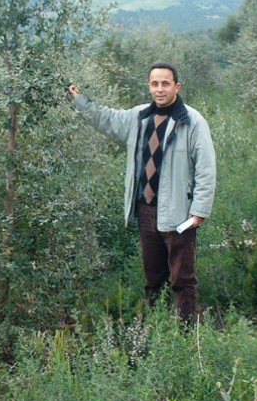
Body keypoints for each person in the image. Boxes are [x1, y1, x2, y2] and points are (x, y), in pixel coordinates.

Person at [66, 63, 216, 321]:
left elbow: (206, 167)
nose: (160, 89)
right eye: (155, 84)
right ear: (149, 86)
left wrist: (199, 211)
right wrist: (79, 101)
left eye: (165, 83)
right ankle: (156, 324)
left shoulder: (191, 121)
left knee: (182, 277)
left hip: (180, 213)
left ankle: (187, 332)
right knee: (153, 276)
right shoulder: (138, 118)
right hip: (147, 210)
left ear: (176, 87)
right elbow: (106, 118)